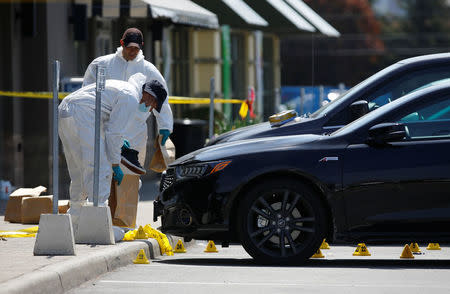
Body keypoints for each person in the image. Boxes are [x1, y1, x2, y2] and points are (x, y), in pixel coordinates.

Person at [59, 73, 167, 231]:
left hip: (66, 112)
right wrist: (115, 164)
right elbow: (113, 133)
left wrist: (117, 144)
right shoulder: (131, 97)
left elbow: (104, 120)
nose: (150, 109)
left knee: (80, 173)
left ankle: (73, 223)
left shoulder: (125, 90)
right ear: (149, 95)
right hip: (81, 115)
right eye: (153, 105)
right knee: (101, 169)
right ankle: (97, 224)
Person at [83, 27, 173, 169]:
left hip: (135, 132)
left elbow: (162, 97)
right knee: (103, 173)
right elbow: (87, 93)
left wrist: (165, 125)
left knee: (131, 176)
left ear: (141, 46)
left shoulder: (148, 70)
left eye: (136, 49)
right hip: (106, 128)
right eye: (129, 47)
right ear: (121, 43)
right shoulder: (102, 65)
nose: (132, 52)